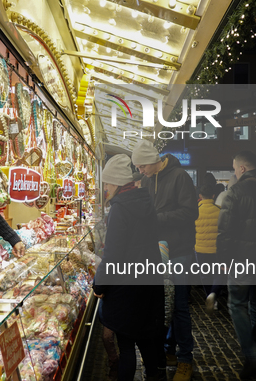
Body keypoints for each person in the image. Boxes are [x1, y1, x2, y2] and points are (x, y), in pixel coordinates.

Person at [93, 154, 165, 381]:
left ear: (115, 182)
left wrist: (99, 285)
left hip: (126, 288)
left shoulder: (120, 208)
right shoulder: (145, 201)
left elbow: (113, 255)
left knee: (126, 347)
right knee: (147, 341)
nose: (105, 187)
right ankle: (155, 376)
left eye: (106, 182)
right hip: (149, 282)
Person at [132, 140, 198, 381]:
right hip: (157, 250)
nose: (140, 171)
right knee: (163, 303)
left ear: (152, 160)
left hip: (180, 249)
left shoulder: (180, 176)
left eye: (141, 166)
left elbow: (191, 212)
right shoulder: (148, 180)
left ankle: (185, 359)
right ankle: (168, 350)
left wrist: (156, 218)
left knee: (179, 304)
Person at [217, 150, 256, 379]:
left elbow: (225, 229)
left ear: (242, 168)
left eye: (235, 168)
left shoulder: (237, 190)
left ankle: (251, 355)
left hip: (242, 259)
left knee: (237, 305)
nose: (234, 172)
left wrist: (224, 260)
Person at [194, 184, 222, 315]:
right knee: (218, 274)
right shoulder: (219, 209)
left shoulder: (195, 210)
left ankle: (209, 297)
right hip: (217, 249)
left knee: (205, 275)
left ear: (200, 196)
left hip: (200, 249)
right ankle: (213, 294)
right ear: (213, 196)